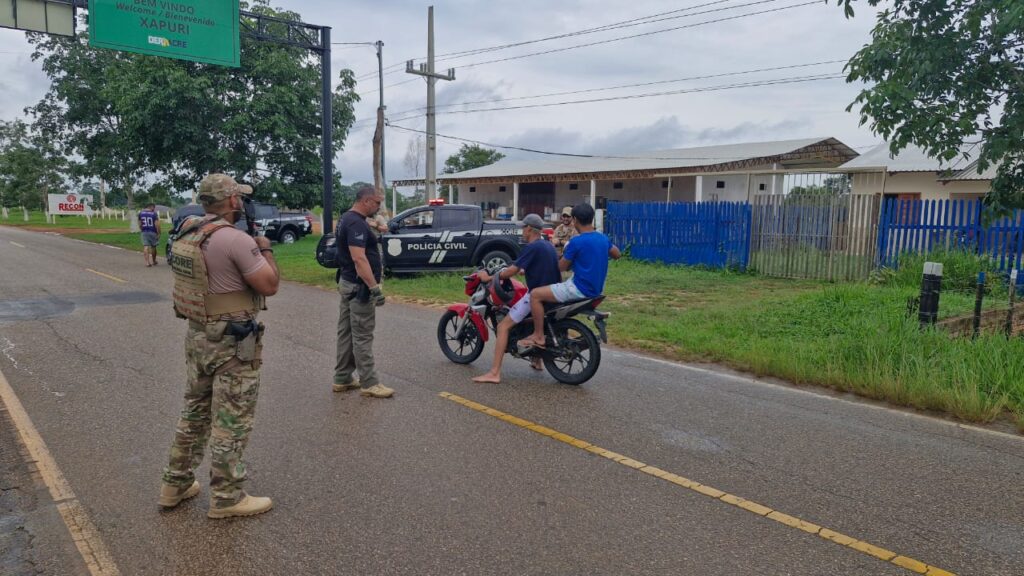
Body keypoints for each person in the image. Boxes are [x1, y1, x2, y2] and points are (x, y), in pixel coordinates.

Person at [159, 173, 280, 519]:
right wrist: (265, 247)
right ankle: (228, 497)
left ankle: (175, 483)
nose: (241, 203)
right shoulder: (234, 240)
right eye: (238, 198)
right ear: (231, 201)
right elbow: (269, 285)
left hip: (198, 335)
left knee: (194, 412)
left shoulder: (188, 232)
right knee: (232, 420)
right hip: (232, 341)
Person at [472, 214, 561, 384]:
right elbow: (540, 266)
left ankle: (494, 373)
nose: (522, 231)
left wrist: (489, 277)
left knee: (503, 327)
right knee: (526, 317)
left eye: (523, 228)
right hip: (552, 291)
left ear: (529, 229)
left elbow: (510, 271)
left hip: (537, 294)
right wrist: (524, 269)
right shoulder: (547, 245)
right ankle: (537, 359)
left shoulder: (532, 247)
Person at [520, 203, 621, 349]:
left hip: (578, 288)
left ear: (575, 220)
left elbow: (561, 267)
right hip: (596, 290)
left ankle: (538, 335)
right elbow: (617, 254)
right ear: (592, 219)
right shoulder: (602, 238)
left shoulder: (576, 242)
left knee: (535, 295)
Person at [333, 186, 393, 398]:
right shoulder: (355, 223)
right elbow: (359, 258)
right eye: (377, 203)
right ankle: (369, 382)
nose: (379, 207)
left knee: (346, 333)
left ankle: (343, 377)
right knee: (362, 335)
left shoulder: (347, 219)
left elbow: (360, 228)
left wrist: (375, 224)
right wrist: (374, 288)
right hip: (360, 287)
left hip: (348, 283)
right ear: (366, 201)